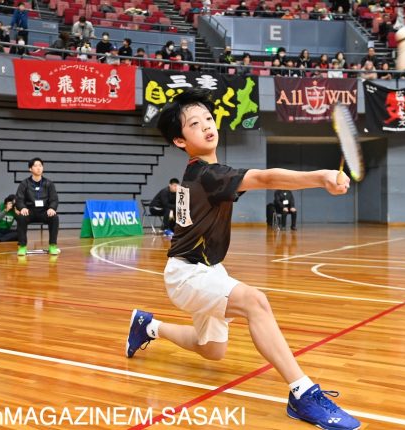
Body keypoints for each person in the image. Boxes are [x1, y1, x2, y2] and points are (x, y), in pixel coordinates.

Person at [125, 89, 360, 430]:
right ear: (180, 140)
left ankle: (148, 326)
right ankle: (302, 393)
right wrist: (320, 177)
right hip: (187, 275)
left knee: (212, 349)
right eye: (194, 124)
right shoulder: (207, 175)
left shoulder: (203, 173)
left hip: (205, 269)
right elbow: (264, 178)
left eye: (208, 118)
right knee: (255, 302)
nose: (207, 126)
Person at [15, 158, 60, 256]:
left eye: (40, 165)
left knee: (54, 217)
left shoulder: (49, 183)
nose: (38, 168)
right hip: (29, 211)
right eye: (35, 166)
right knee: (21, 217)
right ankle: (22, 246)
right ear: (30, 169)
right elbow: (19, 199)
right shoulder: (24, 183)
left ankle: (52, 245)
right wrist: (22, 208)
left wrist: (52, 208)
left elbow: (54, 199)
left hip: (44, 211)